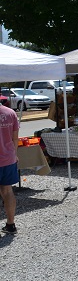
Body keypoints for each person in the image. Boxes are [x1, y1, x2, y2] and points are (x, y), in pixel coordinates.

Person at [0, 100, 19, 234]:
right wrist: (15, 154)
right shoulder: (10, 112)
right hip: (8, 158)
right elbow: (15, 138)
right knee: (8, 190)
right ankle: (11, 224)